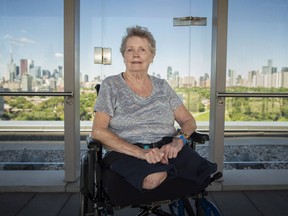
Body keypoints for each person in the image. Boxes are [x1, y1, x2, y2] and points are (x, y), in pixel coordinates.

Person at [91, 25, 217, 192]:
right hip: (128, 151)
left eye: (142, 49)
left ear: (152, 56)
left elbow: (188, 120)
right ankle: (169, 170)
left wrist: (179, 141)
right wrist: (141, 153)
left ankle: (169, 167)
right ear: (123, 56)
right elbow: (98, 131)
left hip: (168, 148)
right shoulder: (111, 84)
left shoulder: (162, 86)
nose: (136, 54)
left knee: (205, 172)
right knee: (154, 178)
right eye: (130, 50)